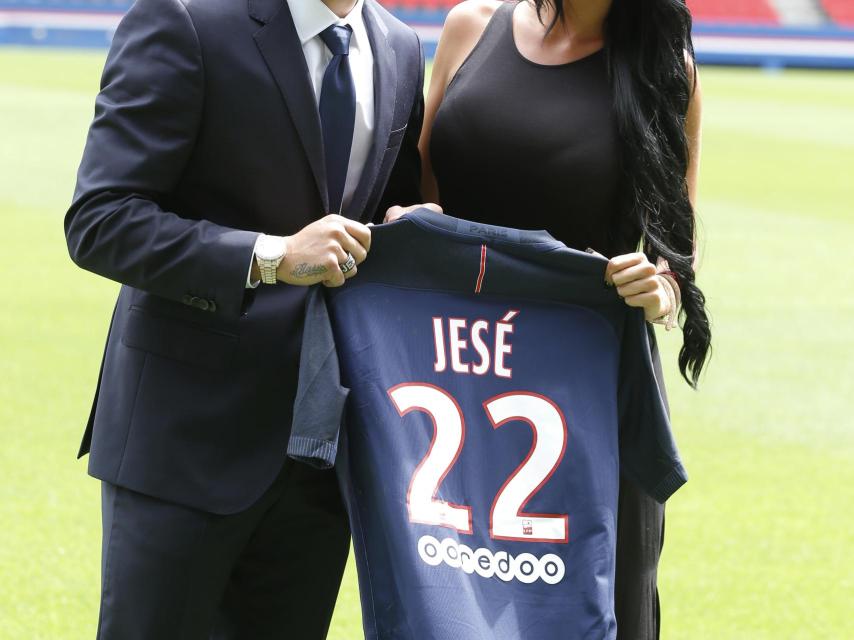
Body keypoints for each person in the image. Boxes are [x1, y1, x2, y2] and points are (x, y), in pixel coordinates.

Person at [64, 0, 432, 637]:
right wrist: (271, 256)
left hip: (322, 449)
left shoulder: (398, 47)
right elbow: (101, 220)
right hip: (184, 438)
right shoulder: (185, 19)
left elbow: (384, 226)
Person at [386, 0, 712, 637]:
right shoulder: (470, 26)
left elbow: (676, 245)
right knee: (444, 603)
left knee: (587, 611)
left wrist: (662, 289)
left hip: (587, 397)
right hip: (452, 376)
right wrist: (406, 224)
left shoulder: (664, 66)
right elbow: (418, 192)